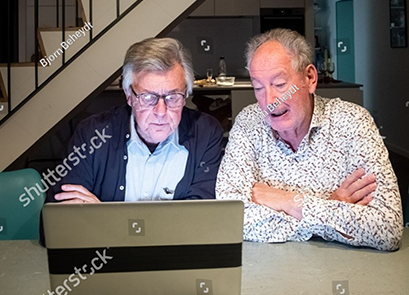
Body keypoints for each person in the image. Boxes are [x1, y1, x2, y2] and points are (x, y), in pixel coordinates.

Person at [216, 28, 403, 251]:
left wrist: (287, 201)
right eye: (258, 87)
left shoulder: (353, 122)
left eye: (279, 84)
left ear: (310, 78)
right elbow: (230, 217)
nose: (269, 100)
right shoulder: (248, 122)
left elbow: (387, 229)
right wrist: (329, 212)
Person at [45, 37, 223, 204]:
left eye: (173, 97)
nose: (161, 111)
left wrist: (100, 217)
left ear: (185, 96)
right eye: (147, 97)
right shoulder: (92, 134)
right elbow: (59, 219)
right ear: (129, 95)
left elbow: (202, 222)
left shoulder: (205, 133)